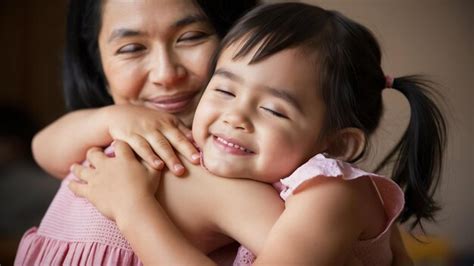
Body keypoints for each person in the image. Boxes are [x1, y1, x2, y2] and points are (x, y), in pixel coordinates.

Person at [66, 3, 446, 265]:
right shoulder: (268, 178)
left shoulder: (331, 194)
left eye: (273, 110)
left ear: (338, 143)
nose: (235, 117)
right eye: (224, 91)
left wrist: (133, 207)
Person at [14, 0, 259, 265]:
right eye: (131, 49)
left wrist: (132, 208)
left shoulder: (225, 170)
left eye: (191, 37)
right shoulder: (105, 131)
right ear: (99, 70)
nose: (166, 74)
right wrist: (109, 118)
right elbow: (42, 148)